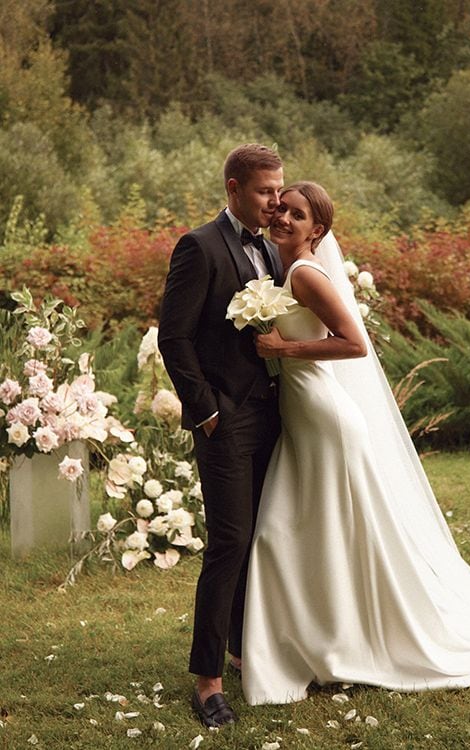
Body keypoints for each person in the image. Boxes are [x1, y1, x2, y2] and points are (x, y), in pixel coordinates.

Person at [241, 181, 470, 705]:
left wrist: (285, 347)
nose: (283, 217)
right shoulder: (284, 269)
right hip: (306, 416)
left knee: (299, 530)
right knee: (313, 529)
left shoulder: (306, 273)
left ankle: (342, 638)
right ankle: (327, 633)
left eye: (297, 214)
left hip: (324, 417)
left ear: (319, 230)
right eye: (281, 208)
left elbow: (354, 343)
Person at [158, 144, 284, 726]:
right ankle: (208, 680)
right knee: (231, 541)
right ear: (234, 189)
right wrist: (206, 410)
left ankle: (242, 650)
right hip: (225, 419)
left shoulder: (278, 249)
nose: (275, 201)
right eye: (264, 191)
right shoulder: (199, 247)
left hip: (277, 417)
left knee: (263, 537)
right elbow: (174, 338)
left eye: (279, 190)